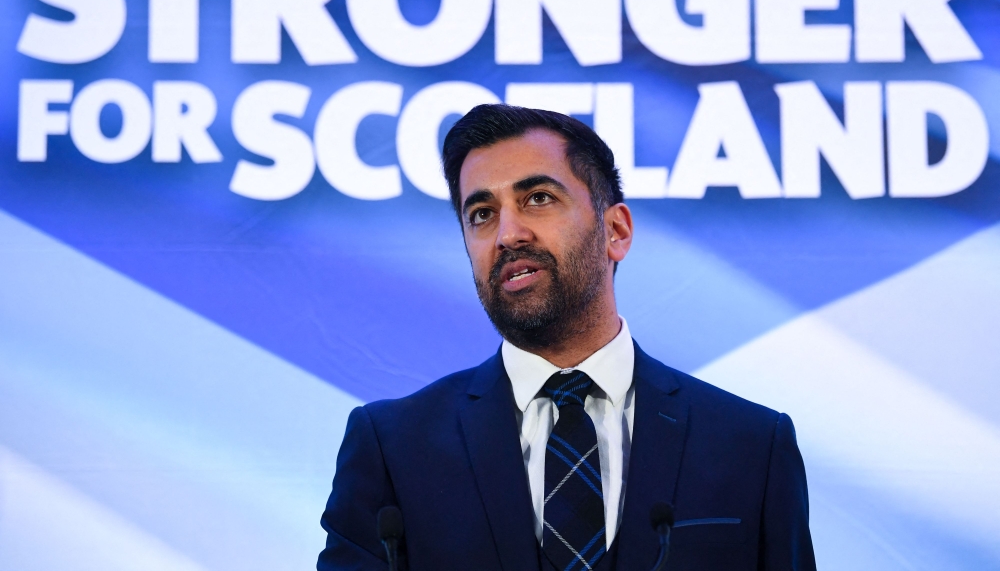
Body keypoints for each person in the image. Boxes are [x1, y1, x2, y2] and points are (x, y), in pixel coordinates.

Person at [317, 105, 816, 571]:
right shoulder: (393, 448)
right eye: (482, 214)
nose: (508, 234)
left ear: (615, 231)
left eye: (538, 199)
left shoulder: (751, 446)